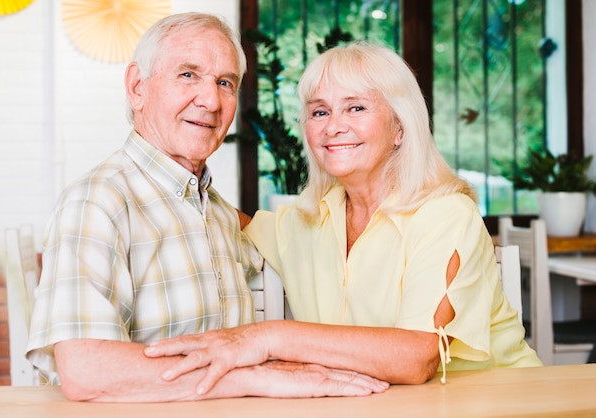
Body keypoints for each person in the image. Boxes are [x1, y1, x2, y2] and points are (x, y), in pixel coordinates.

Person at [25, 14, 388, 402]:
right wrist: (252, 378)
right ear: (137, 88)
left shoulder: (215, 209)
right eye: (188, 75)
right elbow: (86, 370)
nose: (211, 101)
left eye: (225, 83)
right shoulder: (98, 201)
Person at [144, 41, 543, 393]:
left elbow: (416, 357)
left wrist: (268, 338)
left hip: (502, 403)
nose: (334, 126)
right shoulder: (310, 219)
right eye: (319, 112)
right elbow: (226, 217)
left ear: (400, 127)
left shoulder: (446, 213)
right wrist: (166, 166)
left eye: (356, 107)